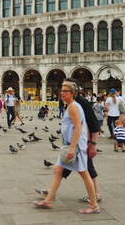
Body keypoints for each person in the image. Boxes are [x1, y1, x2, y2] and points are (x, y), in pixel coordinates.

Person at [34, 80, 99, 213]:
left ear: (72, 93)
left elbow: (78, 128)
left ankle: (94, 205)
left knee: (85, 174)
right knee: (58, 170)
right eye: (61, 90)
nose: (62, 93)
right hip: (70, 145)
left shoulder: (73, 107)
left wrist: (72, 148)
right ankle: (49, 200)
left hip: (75, 147)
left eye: (65, 91)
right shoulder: (71, 106)